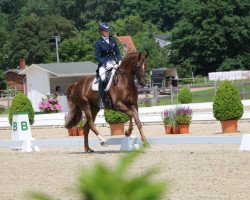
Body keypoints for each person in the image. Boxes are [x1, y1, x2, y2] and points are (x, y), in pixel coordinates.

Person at [95, 22, 122, 109]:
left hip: (113, 62)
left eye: (108, 31)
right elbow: (98, 57)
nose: (107, 32)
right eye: (105, 31)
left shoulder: (113, 40)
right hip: (104, 64)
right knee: (102, 78)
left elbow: (117, 52)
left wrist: (120, 60)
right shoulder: (99, 43)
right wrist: (105, 64)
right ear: (101, 32)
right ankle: (101, 100)